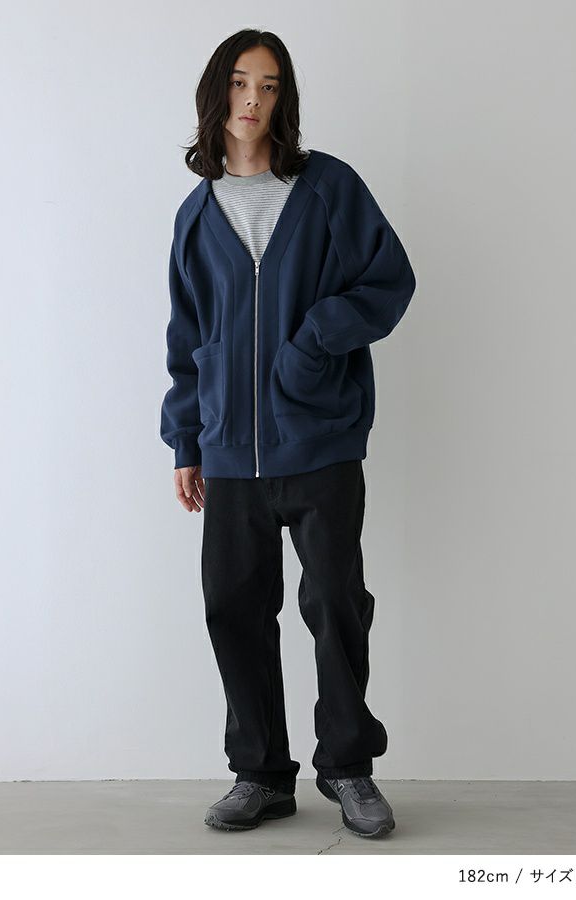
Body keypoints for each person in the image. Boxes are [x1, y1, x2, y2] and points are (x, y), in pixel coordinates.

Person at [160, 28, 416, 839]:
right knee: (233, 608)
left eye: (269, 86)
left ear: (284, 99)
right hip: (229, 451)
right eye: (241, 82)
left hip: (320, 439)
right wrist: (187, 443)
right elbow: (186, 341)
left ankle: (348, 767)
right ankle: (261, 774)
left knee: (336, 604)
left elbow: (389, 280)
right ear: (217, 93)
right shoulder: (196, 217)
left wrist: (312, 345)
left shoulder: (328, 187)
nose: (253, 100)